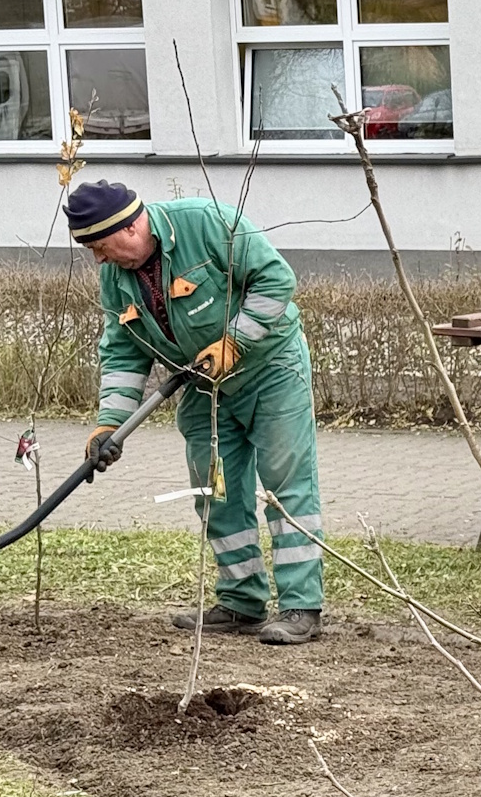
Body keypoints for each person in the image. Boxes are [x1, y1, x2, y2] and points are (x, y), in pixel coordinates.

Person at [71, 180, 325, 645]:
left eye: (100, 247)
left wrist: (237, 340)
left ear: (129, 228)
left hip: (271, 369)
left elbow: (276, 281)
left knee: (287, 482)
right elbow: (124, 354)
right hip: (202, 386)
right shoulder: (115, 279)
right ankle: (241, 602)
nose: (99, 260)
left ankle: (300, 606)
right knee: (215, 490)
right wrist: (112, 423)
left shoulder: (206, 223)